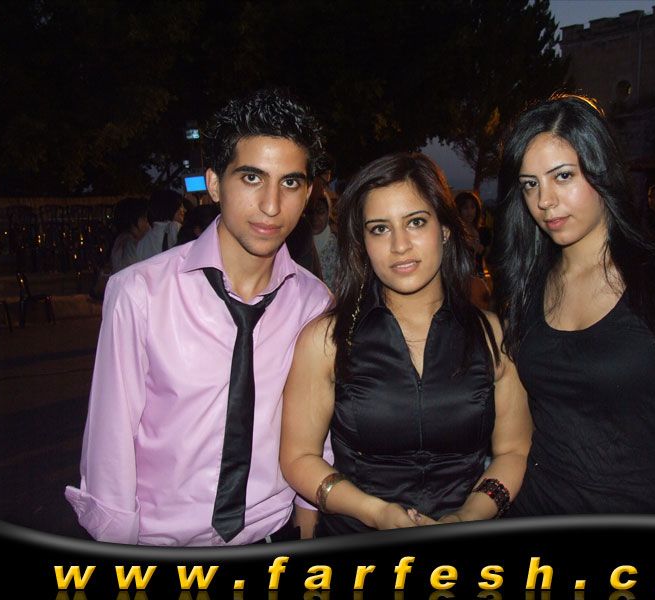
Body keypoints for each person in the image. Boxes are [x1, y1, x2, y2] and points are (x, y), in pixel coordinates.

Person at [64, 88, 332, 545]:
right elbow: (110, 445)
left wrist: (308, 518)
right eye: (251, 178)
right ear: (214, 184)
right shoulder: (140, 293)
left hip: (272, 538)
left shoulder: (313, 302)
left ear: (307, 194)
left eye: (290, 183)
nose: (271, 205)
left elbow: (316, 428)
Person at [491, 94, 655, 520]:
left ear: (602, 171)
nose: (544, 200)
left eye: (563, 176)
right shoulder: (525, 288)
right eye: (530, 184)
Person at [280, 153, 531, 536]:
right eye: (380, 229)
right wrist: (375, 512)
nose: (399, 245)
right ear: (363, 242)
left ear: (444, 229)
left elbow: (513, 450)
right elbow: (298, 457)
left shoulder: (492, 336)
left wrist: (468, 517)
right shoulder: (326, 340)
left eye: (415, 222)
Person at [134, 189, 187, 262]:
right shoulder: (175, 228)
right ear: (171, 208)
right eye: (181, 206)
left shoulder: (142, 242)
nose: (184, 210)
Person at [110, 196, 150, 273]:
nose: (148, 224)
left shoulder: (121, 241)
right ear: (137, 221)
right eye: (145, 218)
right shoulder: (131, 246)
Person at [308, 191, 338, 290]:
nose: (315, 218)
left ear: (328, 213)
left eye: (320, 212)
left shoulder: (337, 246)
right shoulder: (297, 244)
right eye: (310, 212)